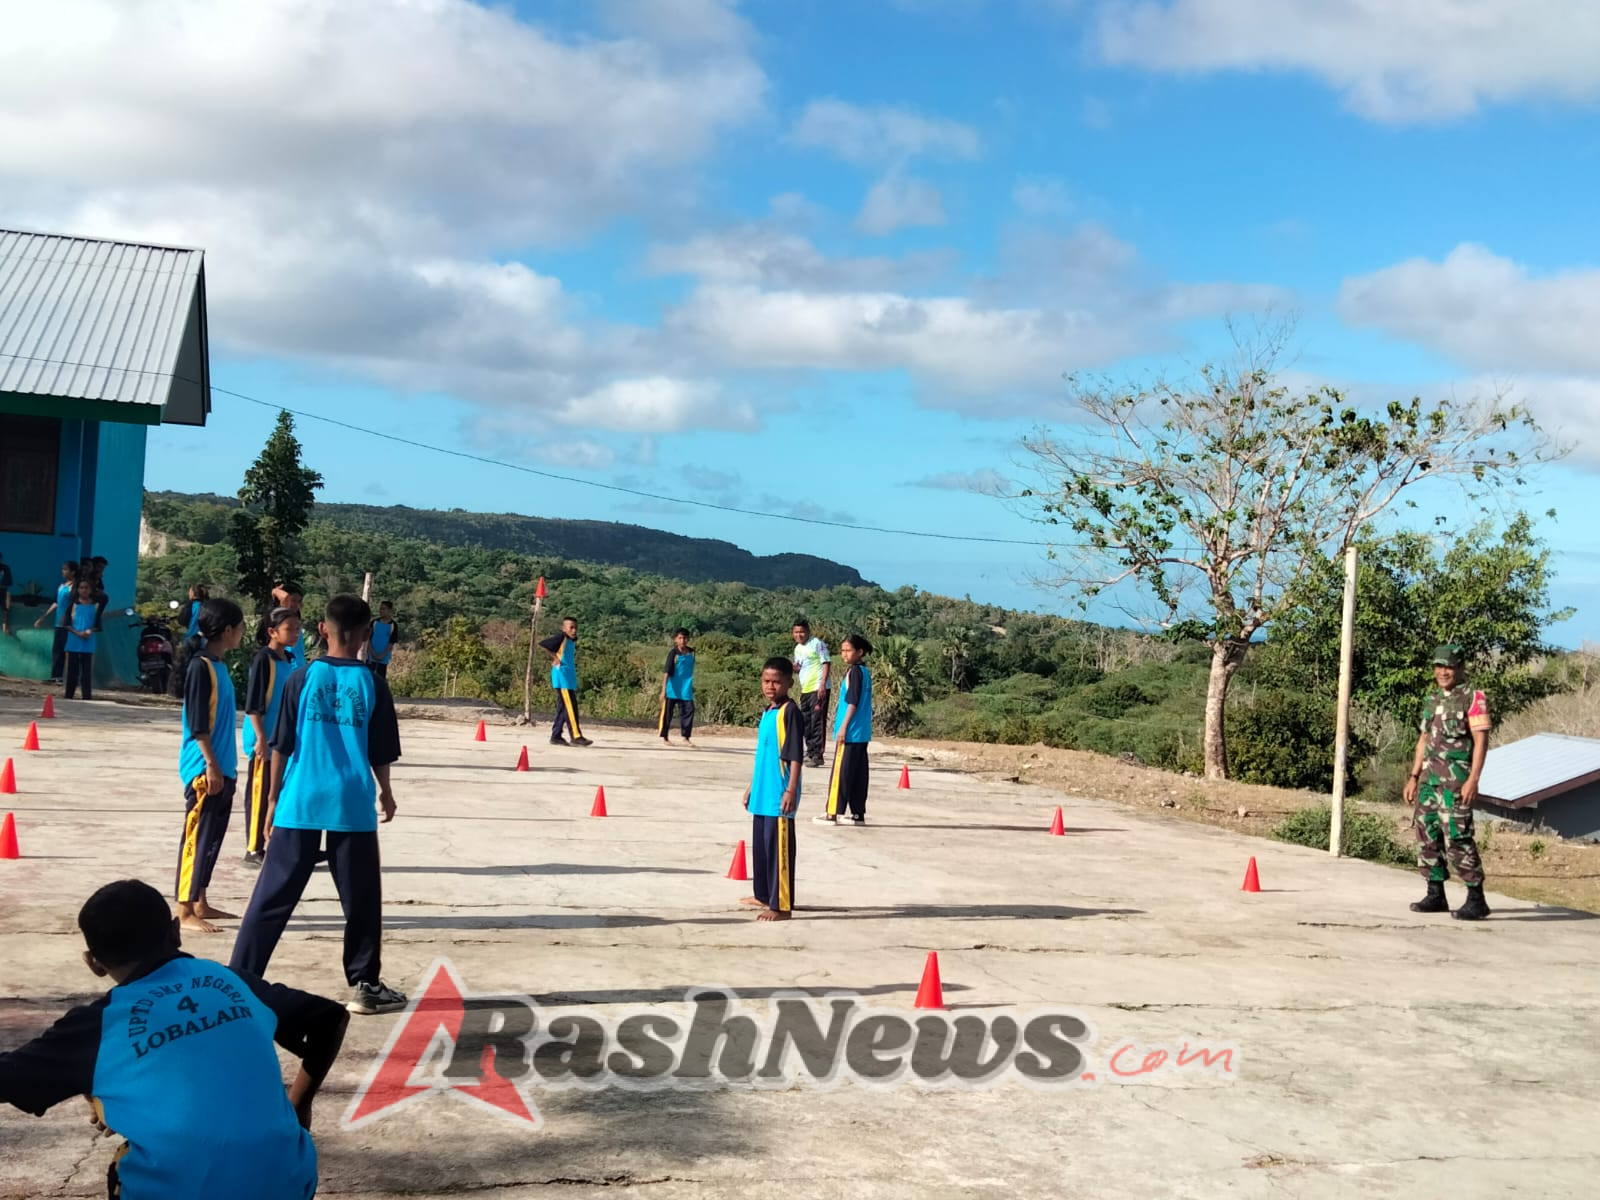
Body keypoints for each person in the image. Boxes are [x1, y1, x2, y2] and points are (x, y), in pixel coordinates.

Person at [0, 879, 348, 1200]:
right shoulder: (232, 980)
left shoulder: (97, 1026)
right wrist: (299, 1104)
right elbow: (331, 1017)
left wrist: (88, 1082)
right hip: (287, 1182)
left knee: (124, 1164)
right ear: (176, 932)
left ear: (94, 963)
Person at [230, 594, 408, 1016]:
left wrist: (272, 799)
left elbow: (282, 745)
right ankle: (365, 985)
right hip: (351, 802)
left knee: (271, 896)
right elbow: (380, 751)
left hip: (301, 799)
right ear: (366, 635)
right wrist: (386, 791)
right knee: (361, 899)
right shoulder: (373, 684)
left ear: (323, 630)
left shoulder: (302, 677)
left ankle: (239, 981)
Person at [1405, 643, 1493, 921]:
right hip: (1429, 782)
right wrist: (1413, 776)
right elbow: (1423, 740)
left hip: (1456, 783)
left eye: (1449, 667)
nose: (1443, 672)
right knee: (1427, 834)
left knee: (1458, 836)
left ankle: (1476, 899)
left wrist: (1473, 779)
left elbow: (1481, 741)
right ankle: (1435, 894)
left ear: (1460, 668)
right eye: (1439, 666)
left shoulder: (1473, 698)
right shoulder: (1432, 699)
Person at [176, 598, 246, 934]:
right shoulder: (200, 667)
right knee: (197, 837)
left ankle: (201, 899)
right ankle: (184, 909)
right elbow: (198, 723)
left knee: (212, 839)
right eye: (240, 627)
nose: (243, 633)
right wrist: (210, 764)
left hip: (223, 766)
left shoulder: (219, 665)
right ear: (228, 630)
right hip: (204, 767)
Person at [740, 657, 804, 922]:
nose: (770, 686)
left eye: (776, 682)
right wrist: (751, 787)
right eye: (766, 681)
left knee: (779, 851)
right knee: (762, 849)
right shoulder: (768, 712)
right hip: (762, 793)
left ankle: (782, 905)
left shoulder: (790, 712)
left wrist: (790, 790)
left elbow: (795, 755)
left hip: (779, 794)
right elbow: (763, 756)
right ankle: (763, 895)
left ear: (789, 683)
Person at [241, 607, 301, 870]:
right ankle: (254, 848)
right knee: (261, 792)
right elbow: (253, 705)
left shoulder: (290, 659)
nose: (295, 634)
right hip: (264, 738)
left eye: (297, 629)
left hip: (284, 739)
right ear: (272, 632)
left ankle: (277, 843)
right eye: (289, 629)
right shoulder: (263, 660)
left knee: (281, 792)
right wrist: (260, 738)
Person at [817, 634, 874, 826]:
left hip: (851, 732)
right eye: (842, 650)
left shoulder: (855, 672)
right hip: (862, 732)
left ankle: (833, 812)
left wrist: (843, 726)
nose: (844, 654)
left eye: (848, 650)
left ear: (859, 652)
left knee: (841, 772)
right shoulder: (865, 672)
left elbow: (852, 702)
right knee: (858, 774)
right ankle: (857, 814)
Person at [540, 616, 591, 747]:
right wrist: (555, 657)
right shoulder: (561, 637)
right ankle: (576, 736)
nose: (574, 630)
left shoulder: (570, 640)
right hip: (562, 678)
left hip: (568, 678)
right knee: (571, 707)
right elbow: (544, 644)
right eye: (571, 628)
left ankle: (556, 736)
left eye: (576, 628)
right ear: (564, 629)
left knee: (562, 708)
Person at [791, 619, 831, 768]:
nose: (799, 635)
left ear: (808, 631)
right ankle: (809, 751)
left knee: (817, 721)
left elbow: (826, 663)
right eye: (796, 632)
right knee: (806, 722)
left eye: (802, 632)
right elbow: (799, 667)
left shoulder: (817, 644)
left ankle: (817, 755)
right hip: (806, 689)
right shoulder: (797, 649)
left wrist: (822, 684)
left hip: (818, 688)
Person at [33, 560, 78, 683]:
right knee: (57, 650)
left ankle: (68, 677)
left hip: (68, 623)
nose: (63, 571)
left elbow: (74, 604)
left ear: (73, 572)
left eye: (66, 569)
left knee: (67, 650)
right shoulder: (62, 586)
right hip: (58, 622)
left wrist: (70, 618)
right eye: (63, 569)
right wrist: (43, 617)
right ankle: (56, 676)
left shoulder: (74, 587)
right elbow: (56, 603)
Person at [63, 576, 100, 701]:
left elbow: (98, 624)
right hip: (74, 641)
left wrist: (90, 631)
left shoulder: (95, 606)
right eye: (81, 588)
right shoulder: (73, 605)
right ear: (77, 589)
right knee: (72, 671)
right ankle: (69, 695)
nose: (84, 590)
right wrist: (77, 632)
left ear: (90, 590)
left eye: (86, 588)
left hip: (88, 642)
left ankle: (86, 696)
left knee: (86, 671)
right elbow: (66, 623)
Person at [659, 628, 696, 746]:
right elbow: (666, 672)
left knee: (689, 712)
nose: (682, 641)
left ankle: (686, 737)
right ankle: (665, 737)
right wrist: (663, 690)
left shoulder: (692, 653)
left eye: (685, 638)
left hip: (686, 689)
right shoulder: (673, 653)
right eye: (680, 638)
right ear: (675, 639)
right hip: (672, 689)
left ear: (688, 639)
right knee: (667, 715)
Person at [367, 600, 397, 679]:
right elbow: (368, 638)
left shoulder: (393, 625)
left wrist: (382, 655)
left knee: (380, 679)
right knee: (369, 678)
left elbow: (391, 642)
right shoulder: (374, 622)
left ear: (390, 610)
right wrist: (372, 653)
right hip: (370, 657)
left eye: (384, 609)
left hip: (383, 658)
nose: (381, 611)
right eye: (380, 609)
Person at [0, 549, 11, 636]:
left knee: (7, 595)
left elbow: (9, 582)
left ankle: (5, 625)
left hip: (2, 591)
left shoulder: (5, 568)